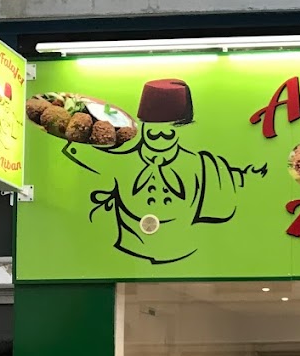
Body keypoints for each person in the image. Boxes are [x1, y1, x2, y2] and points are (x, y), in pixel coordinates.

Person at [64, 78, 266, 264]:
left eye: (170, 127)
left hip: (188, 256)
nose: (161, 133)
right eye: (153, 126)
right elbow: (77, 154)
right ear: (141, 126)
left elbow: (223, 210)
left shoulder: (204, 165)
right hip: (126, 255)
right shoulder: (120, 161)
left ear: (182, 129)